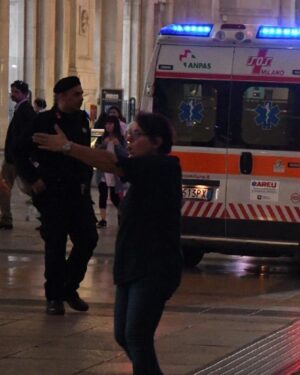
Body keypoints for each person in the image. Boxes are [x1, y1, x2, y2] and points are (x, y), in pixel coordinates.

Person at [33, 111, 182, 374]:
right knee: (124, 335)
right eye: (130, 135)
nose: (130, 142)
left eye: (136, 136)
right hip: (131, 267)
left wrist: (68, 147)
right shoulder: (143, 173)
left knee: (137, 335)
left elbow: (112, 162)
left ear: (157, 141)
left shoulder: (164, 167)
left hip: (154, 268)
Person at [14, 76, 98, 315]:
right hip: (54, 194)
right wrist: (34, 179)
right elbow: (19, 151)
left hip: (78, 194)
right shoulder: (43, 121)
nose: (81, 98)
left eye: (81, 93)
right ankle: (54, 298)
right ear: (61, 96)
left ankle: (68, 287)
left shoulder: (82, 120)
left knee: (88, 239)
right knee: (55, 246)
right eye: (76, 94)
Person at [1, 80, 37, 229]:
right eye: (12, 91)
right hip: (13, 158)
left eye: (16, 92)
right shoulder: (20, 109)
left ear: (24, 94)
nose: (13, 95)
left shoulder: (26, 111)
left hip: (17, 158)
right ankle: (6, 218)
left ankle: (49, 213)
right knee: (4, 186)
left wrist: (19, 152)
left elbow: (25, 135)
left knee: (31, 188)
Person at [94, 115, 127, 228]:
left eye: (111, 123)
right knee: (102, 194)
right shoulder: (102, 137)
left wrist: (117, 145)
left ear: (115, 125)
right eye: (106, 124)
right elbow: (96, 151)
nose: (108, 126)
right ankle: (103, 220)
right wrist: (104, 144)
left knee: (114, 197)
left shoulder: (121, 139)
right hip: (103, 171)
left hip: (115, 172)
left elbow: (125, 154)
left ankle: (122, 215)